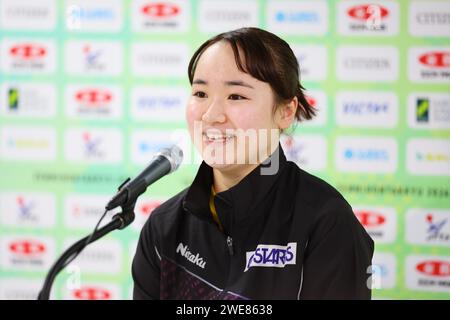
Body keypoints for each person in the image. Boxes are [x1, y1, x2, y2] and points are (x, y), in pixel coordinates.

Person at [132, 27, 374, 300]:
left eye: (236, 96)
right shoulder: (164, 227)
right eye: (200, 94)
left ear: (286, 111)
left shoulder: (326, 223)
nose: (211, 115)